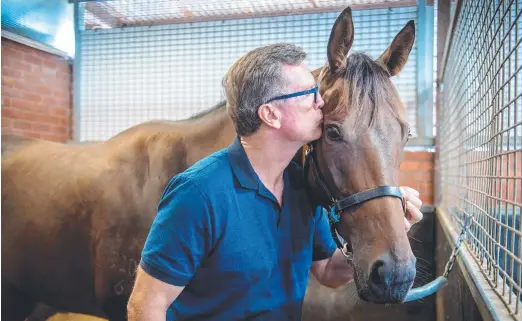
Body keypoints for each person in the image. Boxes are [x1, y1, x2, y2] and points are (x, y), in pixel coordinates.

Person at [127, 43, 423, 321]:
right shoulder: (198, 194)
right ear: (270, 114)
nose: (321, 101)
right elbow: (145, 305)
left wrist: (388, 231)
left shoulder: (303, 186)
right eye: (309, 93)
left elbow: (329, 271)